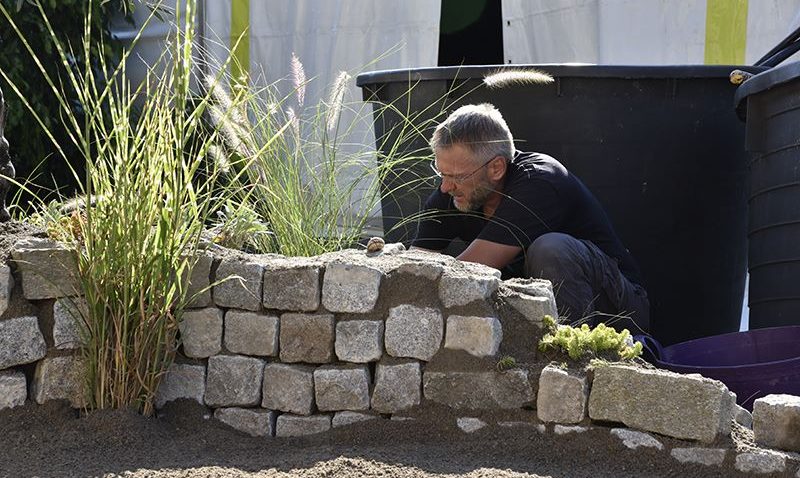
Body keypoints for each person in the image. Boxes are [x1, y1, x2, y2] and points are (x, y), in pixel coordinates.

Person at [411, 103, 649, 333]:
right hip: (537, 314)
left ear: (496, 168)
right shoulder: (452, 192)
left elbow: (472, 269)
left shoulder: (540, 181)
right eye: (441, 172)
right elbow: (415, 267)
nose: (445, 187)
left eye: (457, 176)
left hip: (617, 311)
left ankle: (569, 359)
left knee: (551, 249)